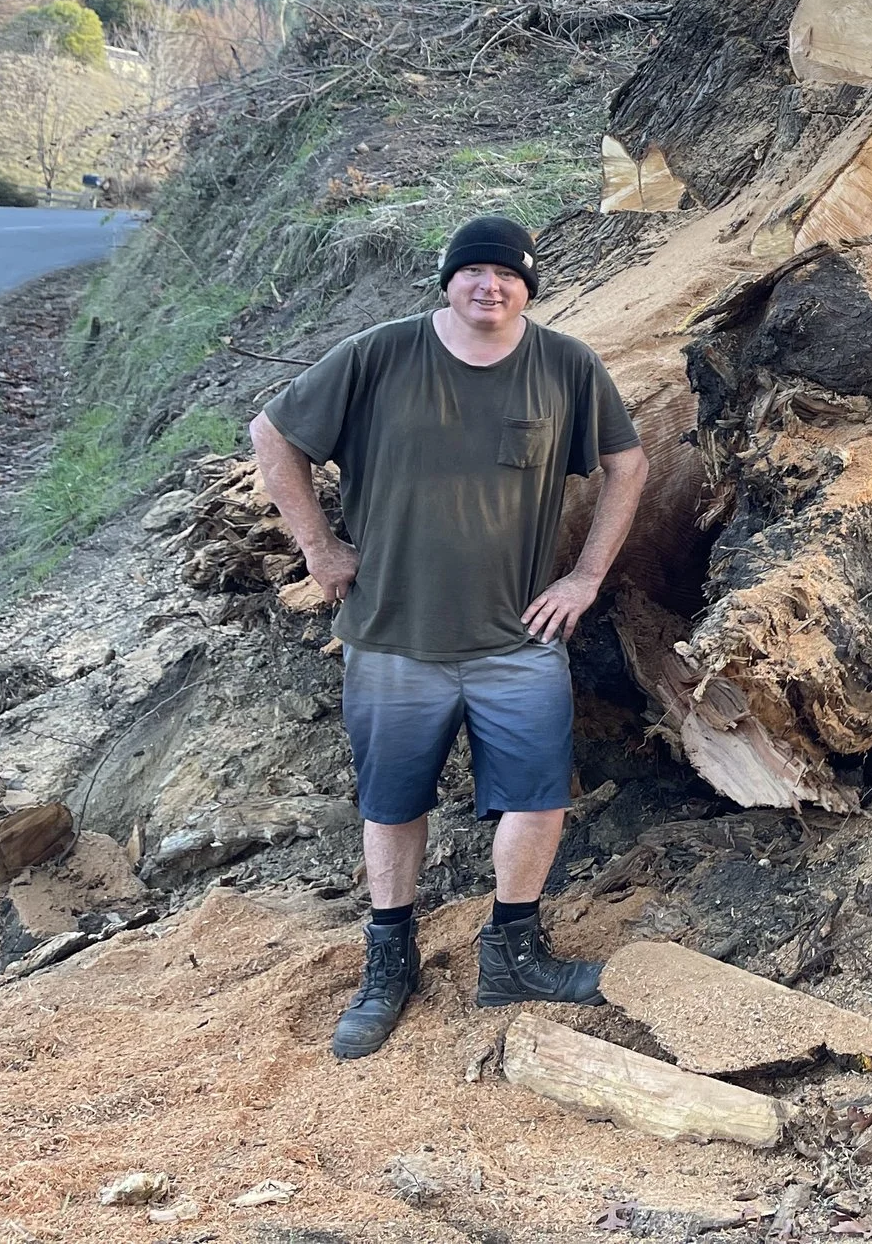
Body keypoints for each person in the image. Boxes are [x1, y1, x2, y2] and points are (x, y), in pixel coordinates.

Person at [248, 214, 649, 1060]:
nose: (489, 286)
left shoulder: (566, 366)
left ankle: (514, 954)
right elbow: (271, 433)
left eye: (507, 275)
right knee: (392, 804)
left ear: (527, 286)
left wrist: (585, 577)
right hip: (394, 637)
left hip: (517, 637)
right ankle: (389, 961)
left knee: (537, 798)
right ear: (448, 279)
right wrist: (318, 546)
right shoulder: (379, 355)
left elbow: (629, 463)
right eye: (473, 272)